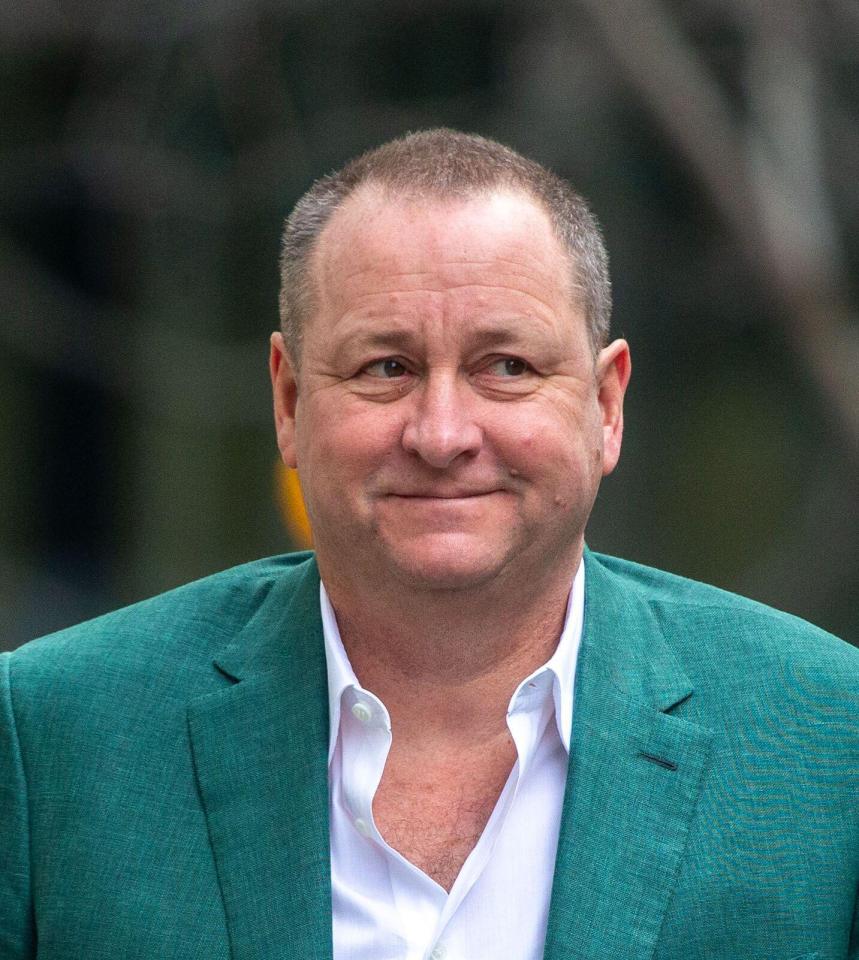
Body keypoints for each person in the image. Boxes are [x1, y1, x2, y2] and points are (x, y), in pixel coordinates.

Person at [1, 129, 857, 960]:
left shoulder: (827, 739)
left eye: (506, 366)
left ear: (606, 406)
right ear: (290, 403)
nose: (441, 434)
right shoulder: (51, 735)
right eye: (385, 367)